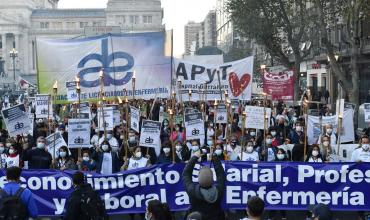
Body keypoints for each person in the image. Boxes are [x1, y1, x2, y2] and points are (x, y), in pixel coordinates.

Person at [182, 150, 226, 220]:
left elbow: (186, 174)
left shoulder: (192, 191)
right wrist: (214, 157)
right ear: (212, 180)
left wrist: (194, 157)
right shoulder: (219, 190)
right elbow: (221, 174)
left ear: (198, 178)